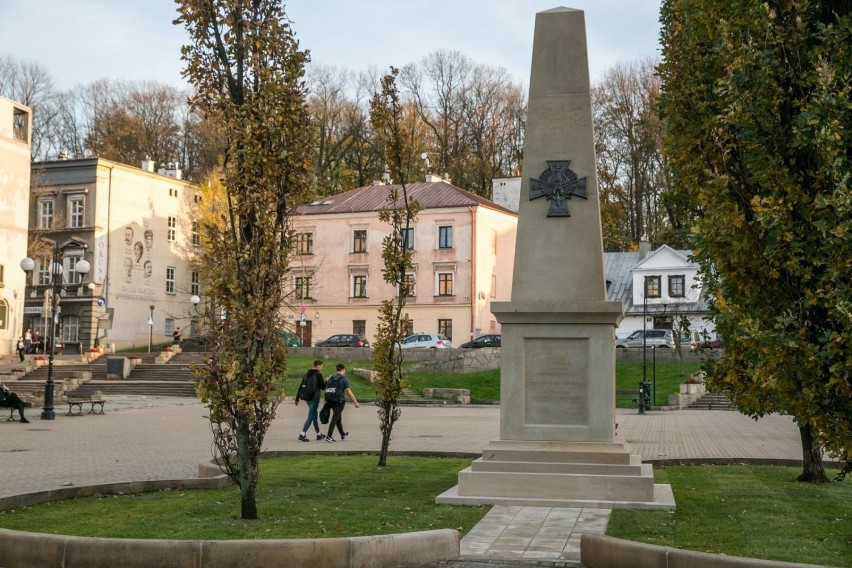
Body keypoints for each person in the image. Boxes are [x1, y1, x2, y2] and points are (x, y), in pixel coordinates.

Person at [324, 363, 359, 443]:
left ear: (337, 370)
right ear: (343, 370)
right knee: (335, 418)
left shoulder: (331, 378)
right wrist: (355, 402)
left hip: (331, 400)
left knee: (338, 417)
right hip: (339, 401)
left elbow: (327, 388)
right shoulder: (344, 379)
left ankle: (343, 434)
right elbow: (349, 392)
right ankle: (329, 436)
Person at [295, 360, 326, 442]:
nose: (322, 368)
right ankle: (302, 434)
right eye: (322, 366)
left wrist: (297, 398)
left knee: (314, 415)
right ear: (318, 365)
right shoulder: (318, 374)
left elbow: (300, 386)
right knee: (311, 416)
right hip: (314, 398)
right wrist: (327, 380)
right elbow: (323, 387)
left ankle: (318, 434)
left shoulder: (306, 374)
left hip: (307, 398)